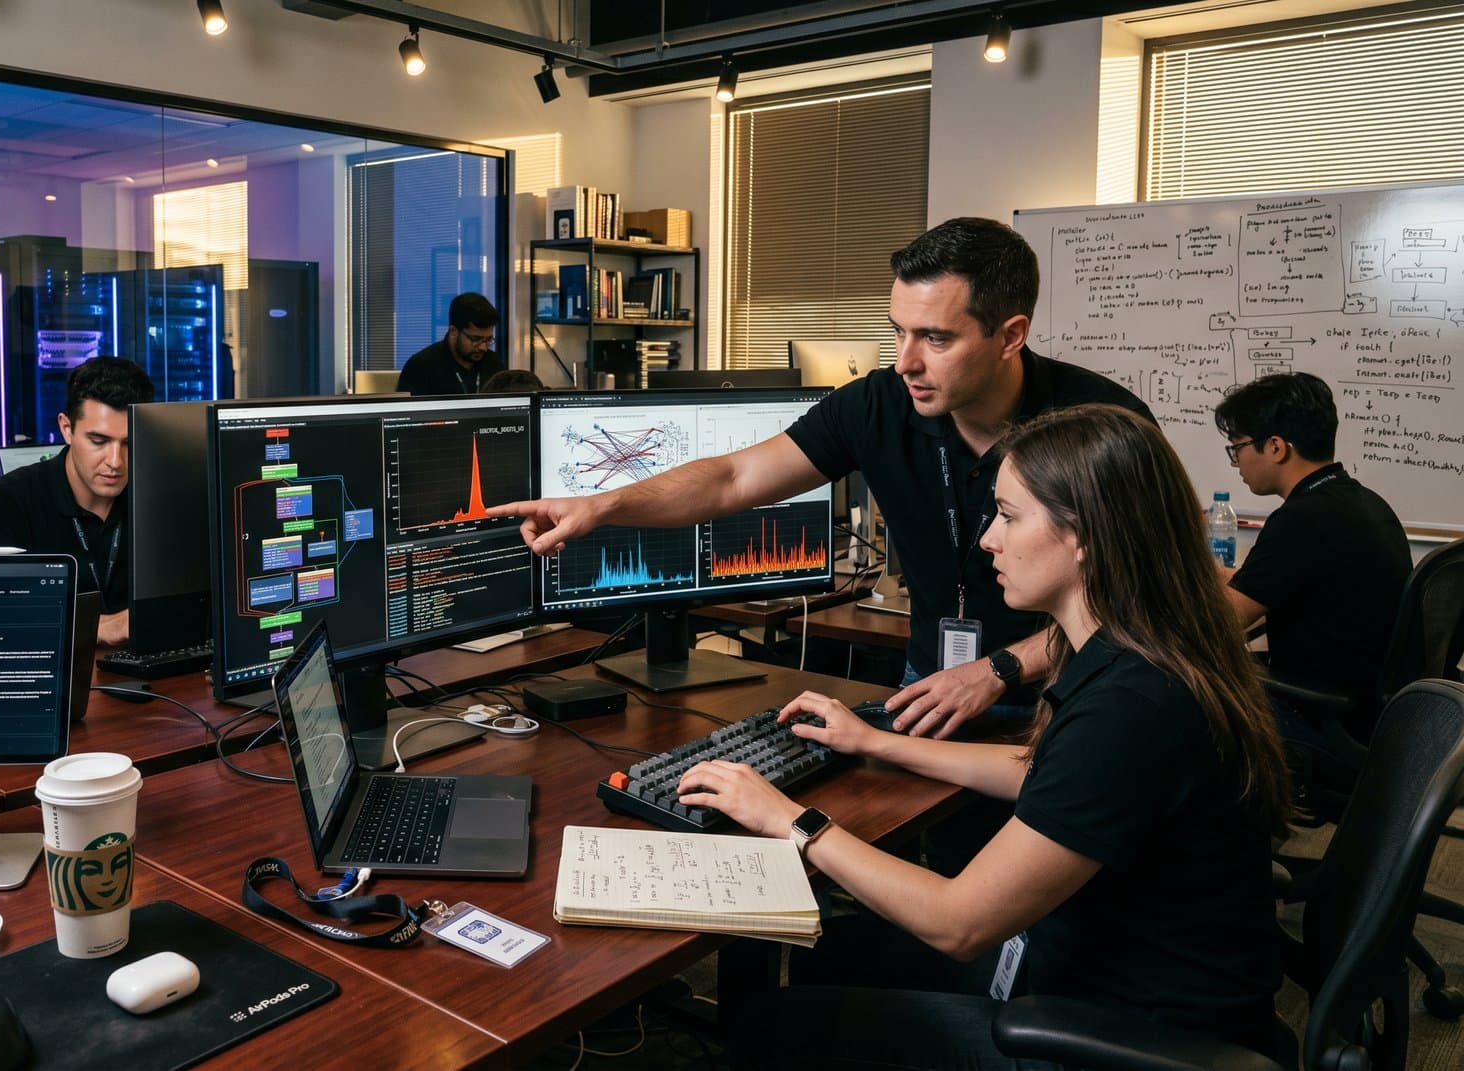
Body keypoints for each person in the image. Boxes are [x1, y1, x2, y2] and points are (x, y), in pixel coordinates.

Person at [681, 404, 1294, 1068]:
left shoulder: (1132, 706)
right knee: (840, 951)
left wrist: (790, 820)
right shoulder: (1141, 651)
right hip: (1106, 970)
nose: (988, 541)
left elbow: (959, 922)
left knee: (770, 1025)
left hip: (1123, 1035)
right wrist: (875, 741)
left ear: (1083, 535)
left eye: (1008, 515)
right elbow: (1047, 773)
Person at [492, 218, 1153, 739]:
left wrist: (1000, 669)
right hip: (930, 685)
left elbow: (1144, 602)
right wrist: (603, 504)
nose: (905, 362)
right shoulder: (878, 405)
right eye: (897, 332)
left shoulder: (1101, 424)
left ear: (1010, 336)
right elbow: (732, 477)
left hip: (1067, 692)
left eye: (935, 339)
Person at [1213, 372, 1411, 770]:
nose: (1236, 463)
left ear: (1275, 447)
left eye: (1238, 448)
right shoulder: (1362, 503)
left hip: (1324, 721)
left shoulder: (1301, 520)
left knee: (1188, 699)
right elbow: (1254, 585)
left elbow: (1217, 622)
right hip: (1374, 716)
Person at [0, 357, 155, 646]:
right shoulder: (8, 500)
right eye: (98, 441)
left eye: (129, 443)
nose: (115, 462)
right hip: (46, 665)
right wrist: (96, 627)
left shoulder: (157, 498)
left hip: (144, 664)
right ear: (66, 428)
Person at [396, 292, 504, 396]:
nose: (483, 347)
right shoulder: (421, 366)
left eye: (488, 340)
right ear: (453, 332)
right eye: (476, 339)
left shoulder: (493, 363)